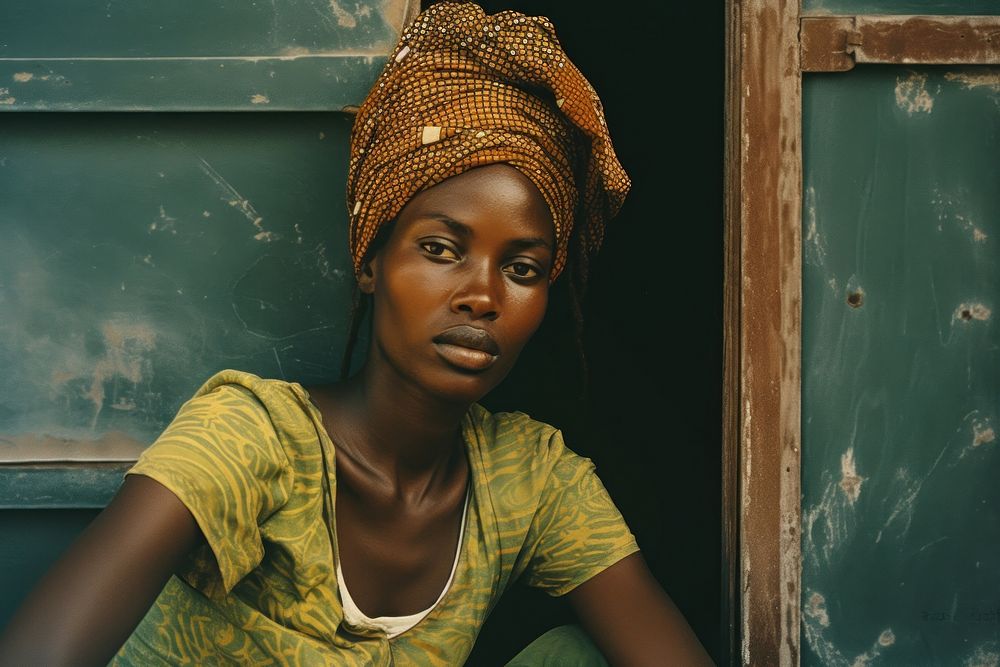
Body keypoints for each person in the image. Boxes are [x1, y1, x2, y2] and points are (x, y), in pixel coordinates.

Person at [0, 2, 714, 665]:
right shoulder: (252, 437)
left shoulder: (528, 479)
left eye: (522, 267)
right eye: (441, 249)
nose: (482, 295)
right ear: (372, 261)